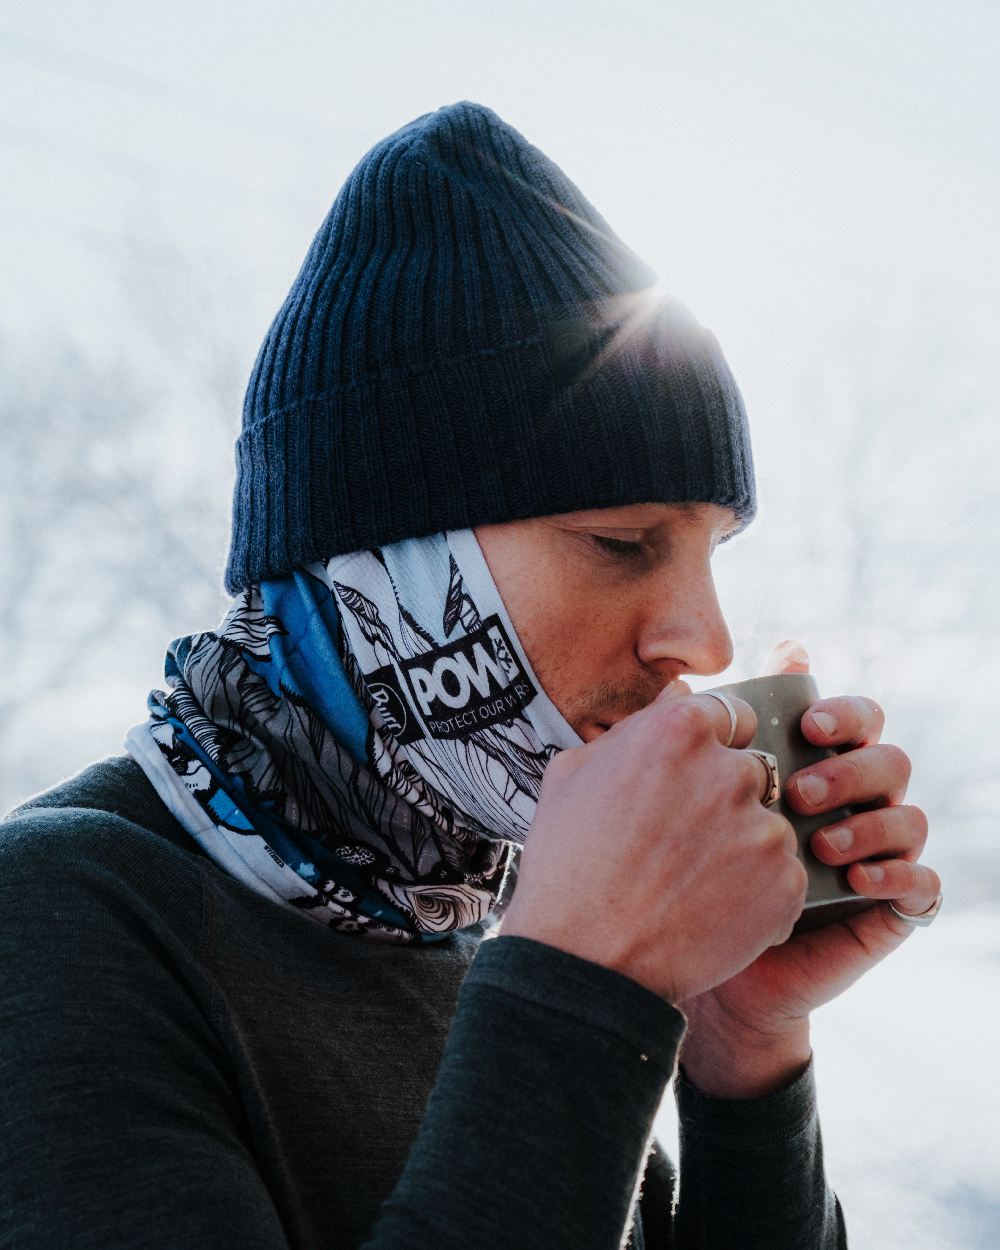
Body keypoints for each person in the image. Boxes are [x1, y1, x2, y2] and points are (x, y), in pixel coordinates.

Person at [0, 101, 940, 1249]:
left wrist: (743, 1051)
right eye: (620, 541)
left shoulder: (474, 940)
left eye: (710, 554)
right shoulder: (55, 921)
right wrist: (584, 975)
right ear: (384, 564)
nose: (702, 637)